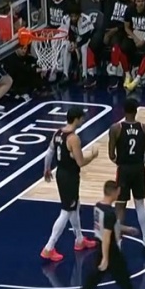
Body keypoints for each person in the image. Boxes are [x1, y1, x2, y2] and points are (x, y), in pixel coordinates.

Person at [76, 180, 145, 289]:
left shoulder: (98, 206)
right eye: (118, 191)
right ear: (114, 192)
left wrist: (127, 229)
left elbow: (108, 226)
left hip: (101, 246)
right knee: (105, 278)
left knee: (119, 276)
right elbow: (107, 236)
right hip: (109, 250)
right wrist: (105, 258)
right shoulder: (110, 213)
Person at [40, 106, 98, 262]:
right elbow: (80, 162)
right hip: (70, 177)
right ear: (77, 119)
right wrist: (93, 156)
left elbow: (49, 152)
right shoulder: (73, 138)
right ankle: (49, 247)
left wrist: (46, 168)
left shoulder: (58, 133)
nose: (83, 120)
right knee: (66, 211)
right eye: (82, 118)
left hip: (61, 173)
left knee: (75, 206)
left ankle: (79, 239)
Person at [109, 97, 145, 255]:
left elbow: (111, 155)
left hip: (124, 169)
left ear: (123, 110)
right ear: (136, 111)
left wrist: (122, 162)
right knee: (140, 205)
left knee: (120, 206)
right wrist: (136, 162)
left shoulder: (116, 128)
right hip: (139, 169)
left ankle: (118, 245)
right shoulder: (144, 128)